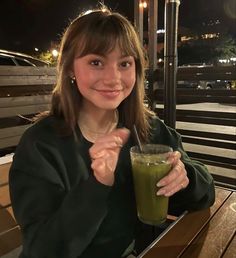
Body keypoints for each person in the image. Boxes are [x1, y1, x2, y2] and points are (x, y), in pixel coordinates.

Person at [9, 6, 215, 258]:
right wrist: (97, 185)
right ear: (70, 68)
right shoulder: (41, 145)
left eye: (125, 63)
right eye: (96, 62)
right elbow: (42, 250)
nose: (113, 78)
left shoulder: (146, 129)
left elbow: (206, 192)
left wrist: (186, 179)